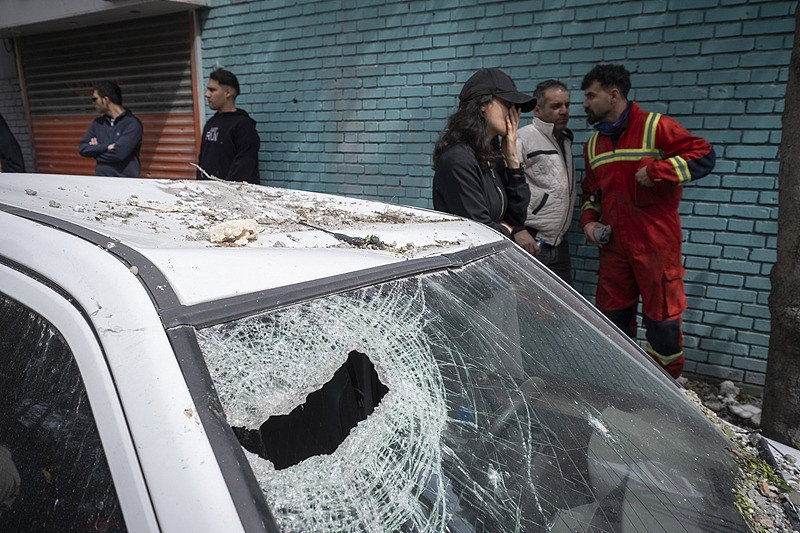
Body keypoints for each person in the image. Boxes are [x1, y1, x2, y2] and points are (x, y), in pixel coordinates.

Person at [579, 64, 716, 379]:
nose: (585, 103)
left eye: (590, 95)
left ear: (613, 95)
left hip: (656, 247)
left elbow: (703, 155)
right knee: (612, 318)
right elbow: (591, 192)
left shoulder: (656, 127)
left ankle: (664, 387)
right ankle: (620, 381)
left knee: (662, 321)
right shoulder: (592, 145)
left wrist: (658, 171)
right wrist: (589, 223)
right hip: (613, 248)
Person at [432, 68, 535, 238]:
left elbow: (517, 217)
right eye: (508, 104)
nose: (514, 114)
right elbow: (481, 233)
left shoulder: (490, 157)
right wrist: (507, 229)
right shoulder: (459, 160)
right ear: (483, 104)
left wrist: (512, 161)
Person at [514, 80, 575, 285]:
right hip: (532, 241)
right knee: (529, 309)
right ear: (538, 110)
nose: (564, 111)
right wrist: (517, 228)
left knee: (562, 311)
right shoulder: (523, 138)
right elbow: (508, 185)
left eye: (566, 105)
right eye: (556, 106)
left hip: (559, 244)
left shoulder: (564, 139)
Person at [196, 69, 260, 184]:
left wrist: (225, 192)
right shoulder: (211, 123)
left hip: (232, 197)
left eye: (212, 90)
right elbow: (202, 163)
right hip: (207, 194)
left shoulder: (243, 125)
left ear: (227, 93)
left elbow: (244, 167)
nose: (207, 94)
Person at [78, 81, 143, 177]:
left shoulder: (132, 124)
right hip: (101, 182)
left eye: (95, 99)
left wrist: (95, 152)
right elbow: (83, 148)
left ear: (106, 100)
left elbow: (119, 154)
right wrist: (106, 147)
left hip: (125, 184)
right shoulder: (98, 123)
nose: (93, 102)